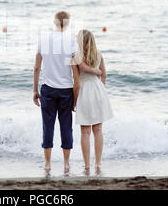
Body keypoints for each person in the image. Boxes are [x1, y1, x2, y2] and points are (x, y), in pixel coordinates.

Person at [33, 12, 101, 173]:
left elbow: (36, 68)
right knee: (66, 127)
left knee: (47, 126)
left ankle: (48, 163)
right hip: (66, 91)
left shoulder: (43, 40)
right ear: (68, 23)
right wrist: (76, 97)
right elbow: (77, 70)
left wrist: (35, 90)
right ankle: (66, 163)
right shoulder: (71, 42)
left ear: (54, 22)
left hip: (48, 89)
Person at [74, 29, 114, 175]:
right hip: (98, 91)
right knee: (98, 130)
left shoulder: (78, 56)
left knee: (85, 131)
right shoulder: (98, 54)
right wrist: (101, 87)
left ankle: (87, 166)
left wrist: (74, 99)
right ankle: (98, 164)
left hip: (85, 91)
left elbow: (80, 74)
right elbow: (104, 75)